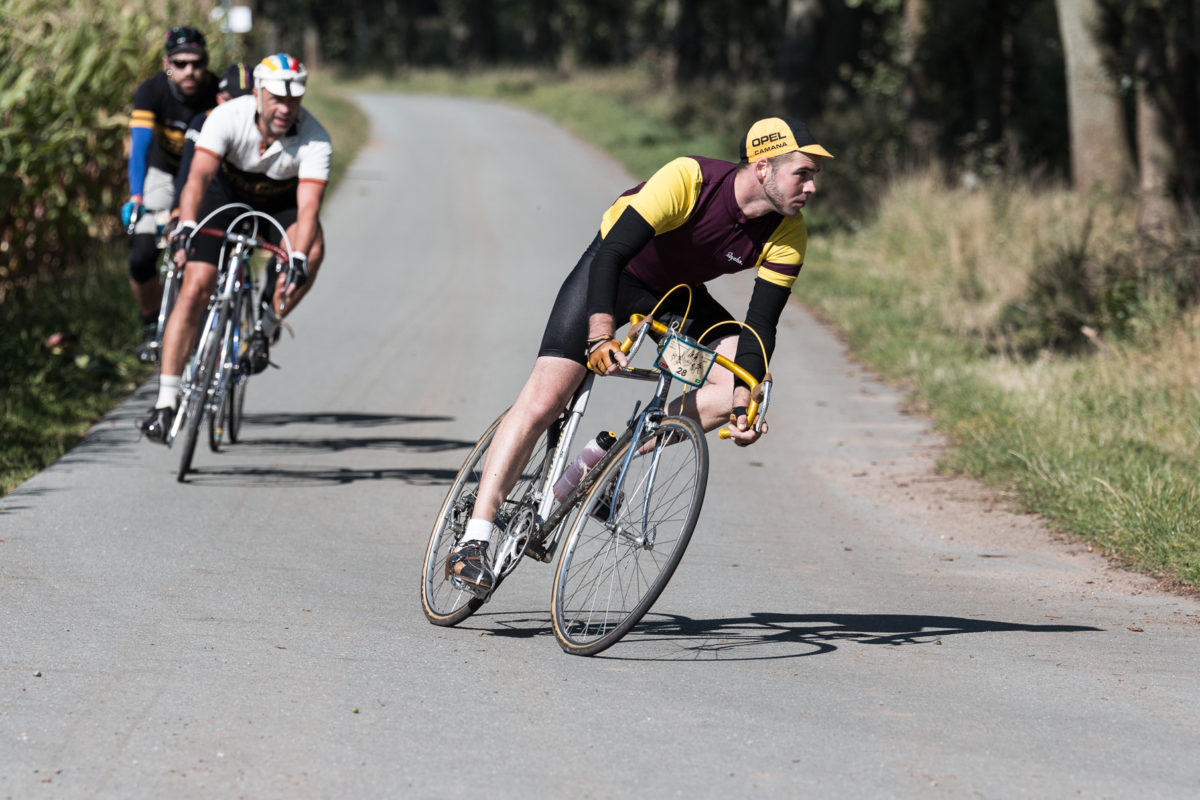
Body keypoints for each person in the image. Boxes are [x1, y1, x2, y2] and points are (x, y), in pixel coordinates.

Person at [445, 117, 834, 592]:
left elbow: (761, 327)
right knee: (547, 399)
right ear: (762, 167)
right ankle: (473, 539)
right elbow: (611, 254)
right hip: (614, 272)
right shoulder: (689, 178)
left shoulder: (789, 234)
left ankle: (612, 460)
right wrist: (601, 334)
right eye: (804, 173)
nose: (812, 187)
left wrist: (742, 405)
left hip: (673, 298)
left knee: (746, 381)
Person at [138, 53, 333, 443]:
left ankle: (264, 328)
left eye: (293, 99)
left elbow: (309, 206)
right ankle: (165, 403)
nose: (285, 107)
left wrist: (295, 258)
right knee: (196, 284)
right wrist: (187, 225)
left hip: (279, 203)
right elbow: (198, 176)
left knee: (312, 251)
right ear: (259, 92)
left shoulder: (315, 138)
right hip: (222, 197)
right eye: (276, 97)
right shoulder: (228, 117)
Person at [123, 26, 219, 362]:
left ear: (206, 63)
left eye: (197, 63)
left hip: (204, 174)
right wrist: (136, 197)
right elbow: (139, 148)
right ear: (167, 64)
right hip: (161, 174)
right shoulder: (151, 91)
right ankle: (151, 325)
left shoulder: (216, 94)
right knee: (142, 252)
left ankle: (205, 323)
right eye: (180, 63)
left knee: (203, 247)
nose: (189, 71)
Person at [170, 62, 255, 217]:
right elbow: (189, 172)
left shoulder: (271, 127)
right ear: (219, 99)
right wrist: (178, 212)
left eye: (248, 103)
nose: (240, 110)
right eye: (232, 101)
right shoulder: (203, 122)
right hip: (218, 203)